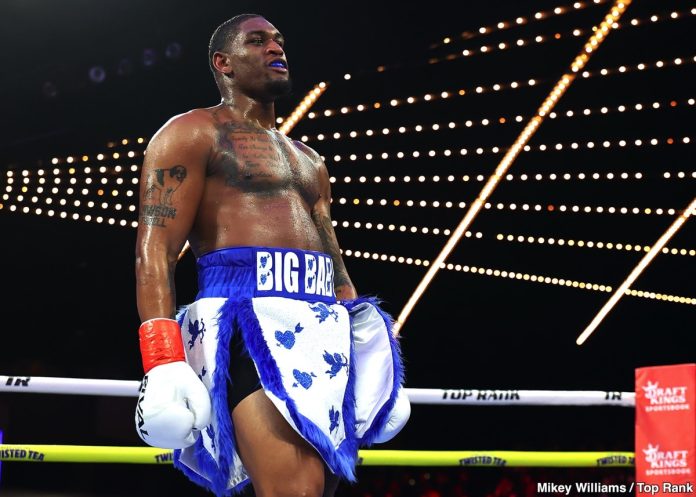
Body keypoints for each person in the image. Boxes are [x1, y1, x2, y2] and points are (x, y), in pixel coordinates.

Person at [134, 13, 410, 497]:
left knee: (319, 488)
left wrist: (365, 348)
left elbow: (331, 255)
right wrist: (162, 359)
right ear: (223, 63)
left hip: (323, 327)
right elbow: (155, 249)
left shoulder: (309, 160)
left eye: (279, 41)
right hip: (248, 320)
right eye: (258, 41)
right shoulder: (193, 132)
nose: (275, 48)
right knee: (296, 489)